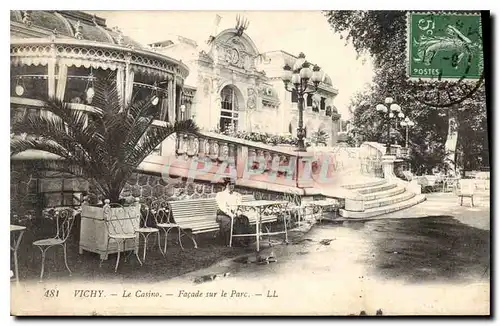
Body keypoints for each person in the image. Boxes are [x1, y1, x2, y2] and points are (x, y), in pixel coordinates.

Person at [215, 178, 251, 247]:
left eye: (233, 184)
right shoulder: (221, 195)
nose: (232, 186)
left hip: (234, 213)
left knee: (244, 219)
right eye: (230, 184)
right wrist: (231, 214)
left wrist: (238, 212)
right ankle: (232, 241)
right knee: (231, 220)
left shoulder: (236, 195)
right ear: (226, 185)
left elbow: (239, 205)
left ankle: (244, 240)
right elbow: (223, 207)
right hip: (223, 214)